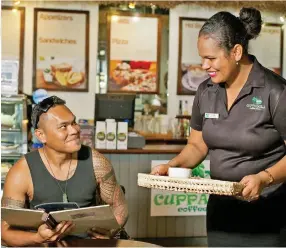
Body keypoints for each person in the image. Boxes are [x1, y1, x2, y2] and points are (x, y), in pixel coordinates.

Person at [151, 7, 286, 247]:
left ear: (236, 52)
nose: (204, 65)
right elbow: (197, 145)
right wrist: (172, 167)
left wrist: (265, 178)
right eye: (202, 57)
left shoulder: (275, 91)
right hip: (221, 211)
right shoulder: (206, 91)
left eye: (211, 58)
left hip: (269, 211)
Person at [1, 96, 128, 246]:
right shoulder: (22, 172)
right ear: (41, 135)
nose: (74, 130)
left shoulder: (97, 162)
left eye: (74, 122)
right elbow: (4, 232)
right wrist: (38, 238)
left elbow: (119, 207)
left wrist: (110, 231)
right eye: (63, 126)